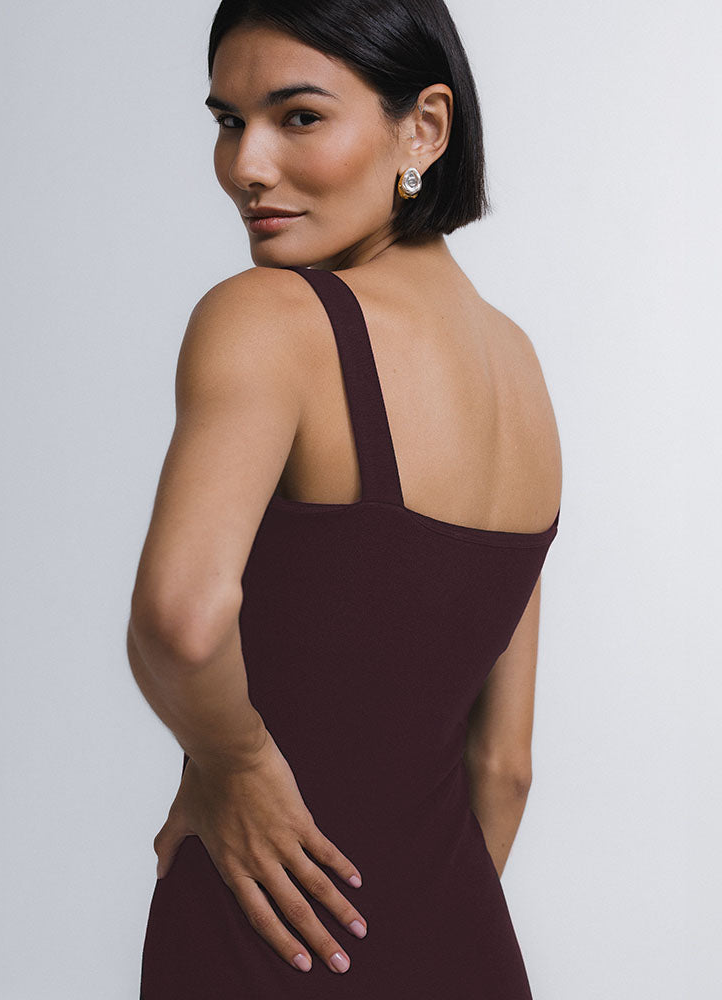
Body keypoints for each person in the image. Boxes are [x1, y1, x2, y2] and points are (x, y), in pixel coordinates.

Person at [126, 1, 562, 996]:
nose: (247, 165)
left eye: (299, 117)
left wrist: (236, 765)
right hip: (461, 949)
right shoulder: (522, 370)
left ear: (424, 129)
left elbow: (181, 620)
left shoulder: (269, 318)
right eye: (229, 121)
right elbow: (504, 766)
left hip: (266, 938)